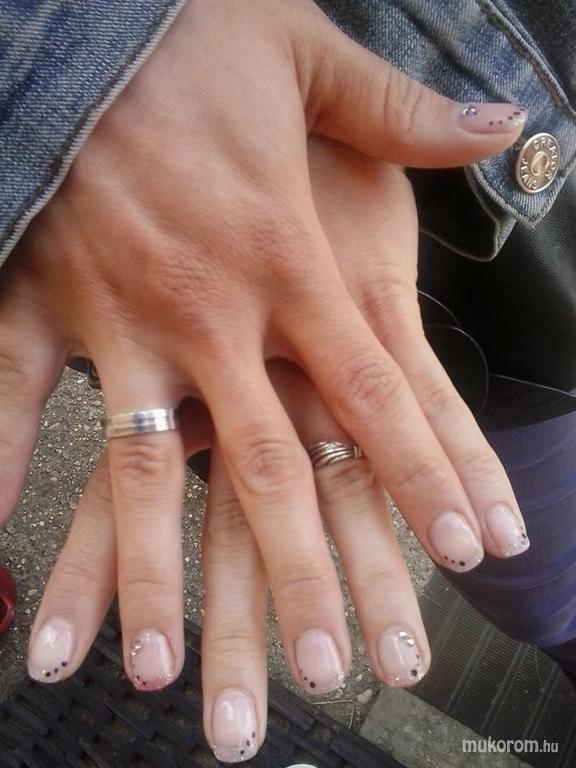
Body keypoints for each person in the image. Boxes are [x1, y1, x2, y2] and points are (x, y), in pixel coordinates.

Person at [0, 0, 574, 762]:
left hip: (501, 111)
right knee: (540, 590)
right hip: (171, 270)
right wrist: (69, 91)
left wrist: (65, 90)